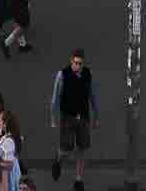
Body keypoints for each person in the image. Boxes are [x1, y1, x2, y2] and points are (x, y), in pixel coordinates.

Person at [49, 46, 98, 190]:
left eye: (80, 63)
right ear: (71, 61)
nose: (77, 66)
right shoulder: (62, 75)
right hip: (68, 117)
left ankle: (78, 180)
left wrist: (96, 115)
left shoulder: (88, 74)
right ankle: (58, 161)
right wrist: (52, 116)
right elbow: (55, 97)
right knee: (66, 148)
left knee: (82, 149)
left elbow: (92, 95)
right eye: (75, 63)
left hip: (83, 116)